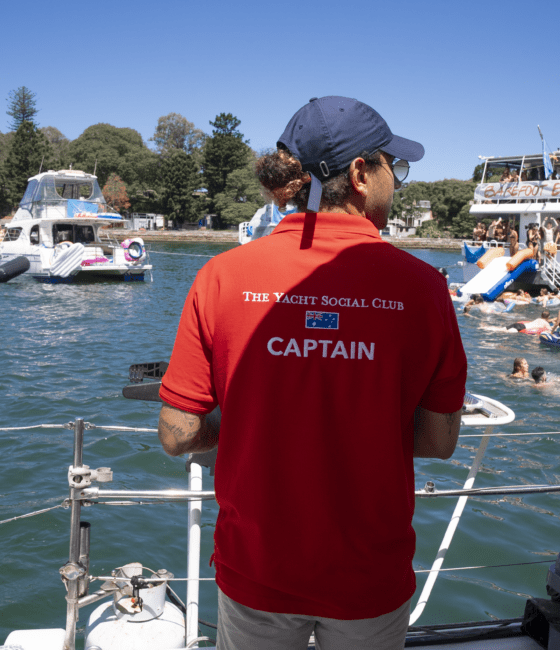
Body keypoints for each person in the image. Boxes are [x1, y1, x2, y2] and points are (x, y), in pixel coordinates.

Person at [156, 96, 468, 650]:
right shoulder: (423, 290)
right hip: (368, 580)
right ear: (360, 174)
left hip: (256, 574)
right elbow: (440, 441)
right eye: (395, 166)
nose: (399, 180)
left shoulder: (221, 276)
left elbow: (178, 435)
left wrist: (244, 430)